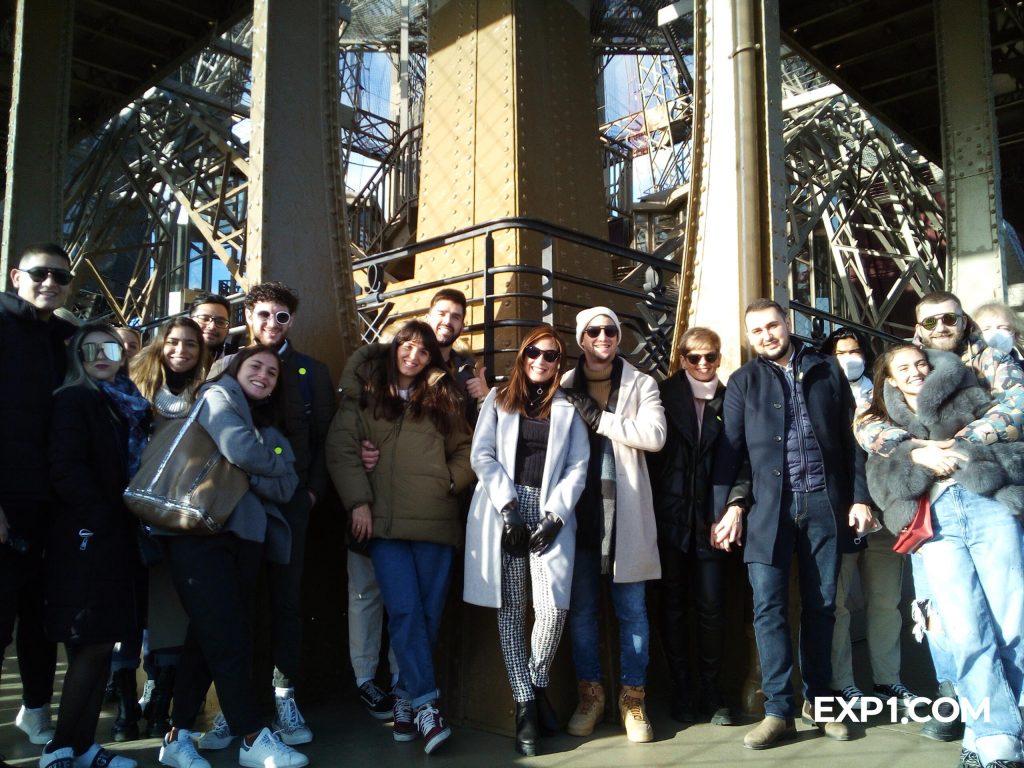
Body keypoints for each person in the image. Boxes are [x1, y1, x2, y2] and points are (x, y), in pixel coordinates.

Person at [854, 290, 1024, 744]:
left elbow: (1017, 406)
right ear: (918, 328)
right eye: (929, 323)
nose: (940, 328)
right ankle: (961, 707)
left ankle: (1001, 724)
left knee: (1007, 619)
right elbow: (868, 422)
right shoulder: (909, 364)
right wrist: (918, 451)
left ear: (962, 319)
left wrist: (959, 443)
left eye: (948, 319)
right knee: (941, 619)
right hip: (932, 513)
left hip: (986, 493)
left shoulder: (990, 358)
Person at [711, 298, 873, 749]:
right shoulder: (744, 381)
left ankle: (819, 704)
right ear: (750, 338)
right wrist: (731, 506)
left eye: (772, 326)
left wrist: (859, 497)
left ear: (788, 324)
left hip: (824, 502)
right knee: (769, 610)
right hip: (768, 509)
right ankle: (779, 711)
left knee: (822, 606)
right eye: (756, 331)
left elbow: (851, 440)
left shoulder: (826, 370)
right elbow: (733, 452)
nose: (766, 335)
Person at [326, 320, 473, 755]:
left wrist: (450, 481)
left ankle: (406, 701)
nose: (413, 355)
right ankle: (428, 704)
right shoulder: (366, 395)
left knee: (426, 615)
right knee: (406, 611)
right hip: (385, 526)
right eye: (407, 346)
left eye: (423, 351)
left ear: (431, 358)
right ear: (394, 350)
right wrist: (359, 503)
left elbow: (466, 448)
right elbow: (342, 448)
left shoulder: (443, 397)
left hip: (435, 522)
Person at [156, 345, 307, 768]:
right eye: (255, 366)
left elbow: (286, 484)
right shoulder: (217, 394)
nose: (263, 375)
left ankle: (176, 736)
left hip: (244, 541)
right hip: (202, 533)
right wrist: (261, 463)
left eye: (272, 373)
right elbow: (240, 450)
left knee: (207, 639)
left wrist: (254, 464)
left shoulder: (268, 426)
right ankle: (252, 735)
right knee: (229, 638)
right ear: (237, 368)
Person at [203, 282, 334, 748]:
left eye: (281, 316)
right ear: (248, 316)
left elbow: (324, 439)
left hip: (290, 505)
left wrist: (313, 493)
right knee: (238, 606)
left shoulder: (311, 372)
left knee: (285, 602)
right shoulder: (226, 367)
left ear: (291, 321)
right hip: (236, 505)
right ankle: (237, 708)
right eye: (263, 315)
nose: (271, 324)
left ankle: (283, 697)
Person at [463, 326, 590, 756]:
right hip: (507, 510)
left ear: (560, 364)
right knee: (514, 608)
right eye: (534, 352)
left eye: (551, 355)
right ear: (523, 356)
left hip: (551, 511)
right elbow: (481, 454)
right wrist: (508, 507)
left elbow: (577, 466)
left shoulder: (567, 407)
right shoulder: (499, 400)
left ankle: (532, 689)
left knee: (553, 610)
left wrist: (556, 515)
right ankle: (526, 709)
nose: (541, 360)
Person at [42, 322, 150, 768]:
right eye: (90, 350)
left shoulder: (120, 403)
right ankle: (59, 748)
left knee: (102, 643)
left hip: (112, 534)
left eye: (110, 347)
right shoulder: (75, 399)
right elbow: (66, 469)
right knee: (90, 642)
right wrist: (104, 520)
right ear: (77, 359)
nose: (102, 355)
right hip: (89, 536)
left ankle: (84, 746)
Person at [559, 306, 666, 744]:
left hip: (626, 517)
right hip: (578, 514)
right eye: (593, 331)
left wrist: (599, 418)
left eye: (610, 330)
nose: (602, 337)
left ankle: (633, 699)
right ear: (581, 339)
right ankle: (591, 695)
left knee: (632, 613)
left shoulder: (642, 384)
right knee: (582, 613)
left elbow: (654, 436)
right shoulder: (564, 384)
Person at [1, 243, 76, 748]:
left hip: (53, 506)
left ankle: (34, 710)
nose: (50, 282)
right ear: (15, 276)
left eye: (60, 276)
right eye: (40, 274)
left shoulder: (66, 338)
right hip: (8, 504)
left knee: (41, 618)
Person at [646, 326, 740, 726]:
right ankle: (683, 687)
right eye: (694, 357)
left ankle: (711, 688)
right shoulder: (664, 395)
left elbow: (745, 458)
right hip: (670, 519)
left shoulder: (731, 398)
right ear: (682, 359)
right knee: (672, 607)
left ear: (719, 358)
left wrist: (736, 504)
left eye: (711, 357)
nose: (703, 364)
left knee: (711, 607)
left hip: (712, 520)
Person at [822, 328, 918, 712]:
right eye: (842, 352)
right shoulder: (823, 396)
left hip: (884, 512)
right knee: (840, 605)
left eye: (856, 351)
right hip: (840, 514)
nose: (850, 358)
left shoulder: (885, 396)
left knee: (885, 602)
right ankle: (844, 683)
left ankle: (889, 680)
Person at [124, 318, 208, 740]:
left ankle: (163, 696)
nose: (182, 350)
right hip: (136, 507)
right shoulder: (137, 384)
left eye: (190, 344)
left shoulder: (206, 389)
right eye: (174, 342)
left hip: (180, 509)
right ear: (161, 345)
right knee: (138, 602)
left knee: (172, 603)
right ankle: (130, 691)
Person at [974, 301, 1023, 370]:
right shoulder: (970, 371)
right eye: (986, 329)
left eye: (1004, 328)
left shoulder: (1021, 368)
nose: (996, 333)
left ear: (1015, 335)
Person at [189, 293, 235, 360]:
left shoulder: (237, 365)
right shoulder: (170, 361)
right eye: (204, 319)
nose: (212, 326)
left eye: (220, 322)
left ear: (228, 328)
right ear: (189, 322)